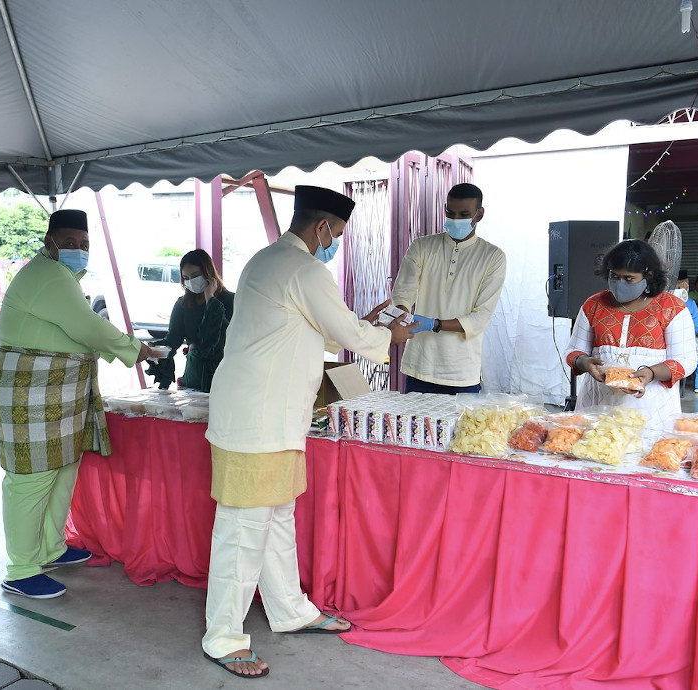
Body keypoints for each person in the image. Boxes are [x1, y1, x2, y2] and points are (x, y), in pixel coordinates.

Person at [201, 186, 414, 679]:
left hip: (270, 417)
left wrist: (366, 327)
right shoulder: (304, 268)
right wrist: (390, 334)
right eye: (336, 234)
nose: (335, 242)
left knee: (277, 519)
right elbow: (353, 336)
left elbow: (316, 327)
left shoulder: (267, 260)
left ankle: (290, 610)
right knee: (244, 529)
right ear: (321, 228)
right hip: (260, 420)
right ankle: (224, 637)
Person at [0, 209, 159, 599]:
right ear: (49, 243)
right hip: (29, 391)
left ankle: (51, 547)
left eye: (84, 245)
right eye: (69, 244)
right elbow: (87, 327)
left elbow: (80, 331)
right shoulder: (48, 275)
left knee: (63, 470)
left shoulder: (61, 276)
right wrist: (136, 349)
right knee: (31, 479)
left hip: (58, 390)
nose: (78, 251)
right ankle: (21, 568)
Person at [565, 239, 696, 430]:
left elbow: (686, 360)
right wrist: (584, 363)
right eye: (614, 276)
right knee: (594, 449)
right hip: (597, 406)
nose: (619, 284)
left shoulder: (671, 308)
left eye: (629, 279)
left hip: (651, 410)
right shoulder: (593, 305)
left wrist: (651, 373)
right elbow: (573, 350)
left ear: (648, 275)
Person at [390, 183, 506, 394]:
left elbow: (481, 317)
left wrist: (434, 324)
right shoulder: (422, 246)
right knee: (415, 427)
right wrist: (401, 314)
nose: (455, 220)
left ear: (479, 214)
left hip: (462, 372)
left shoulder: (493, 256)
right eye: (450, 213)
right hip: (419, 366)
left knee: (460, 429)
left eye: (464, 214)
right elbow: (403, 291)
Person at [146, 249, 234, 392]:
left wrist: (210, 298)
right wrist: (152, 348)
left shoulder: (229, 300)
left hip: (225, 377)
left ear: (208, 273)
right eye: (186, 278)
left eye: (195, 276)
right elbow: (173, 340)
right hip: (194, 377)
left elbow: (217, 337)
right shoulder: (183, 304)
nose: (190, 282)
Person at [675, 271, 698, 394]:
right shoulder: (689, 303)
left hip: (660, 346)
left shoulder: (658, 300)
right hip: (683, 346)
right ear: (686, 283)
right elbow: (697, 328)